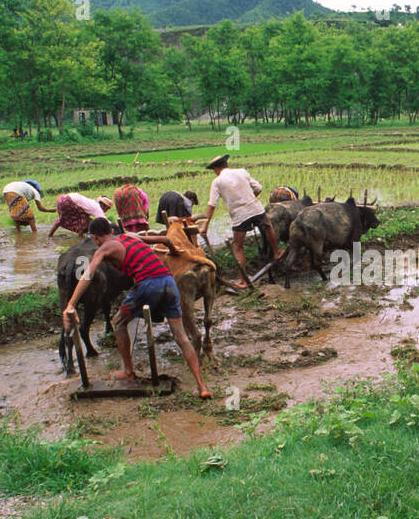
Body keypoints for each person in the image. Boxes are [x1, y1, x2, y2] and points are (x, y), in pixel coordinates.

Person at [61, 217, 212, 399]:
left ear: (95, 237)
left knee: (118, 322)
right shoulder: (131, 236)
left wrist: (71, 304)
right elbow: (165, 240)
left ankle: (128, 371)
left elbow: (88, 273)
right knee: (181, 337)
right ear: (111, 230)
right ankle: (202, 386)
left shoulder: (105, 248)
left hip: (148, 284)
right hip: (168, 281)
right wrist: (174, 251)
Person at [198, 154, 284, 287]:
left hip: (239, 216)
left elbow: (212, 205)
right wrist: (249, 198)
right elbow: (259, 188)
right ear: (227, 164)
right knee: (268, 227)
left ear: (216, 169)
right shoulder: (241, 171)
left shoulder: (217, 182)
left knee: (238, 247)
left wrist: (205, 226)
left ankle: (243, 280)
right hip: (256, 209)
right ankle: (276, 253)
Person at [49, 192, 113, 237]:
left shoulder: (91, 202)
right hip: (68, 201)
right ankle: (80, 236)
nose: (106, 210)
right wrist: (115, 226)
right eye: (107, 208)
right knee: (87, 221)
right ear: (103, 205)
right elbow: (104, 221)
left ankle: (50, 235)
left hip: (61, 199)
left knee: (61, 218)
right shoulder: (97, 207)